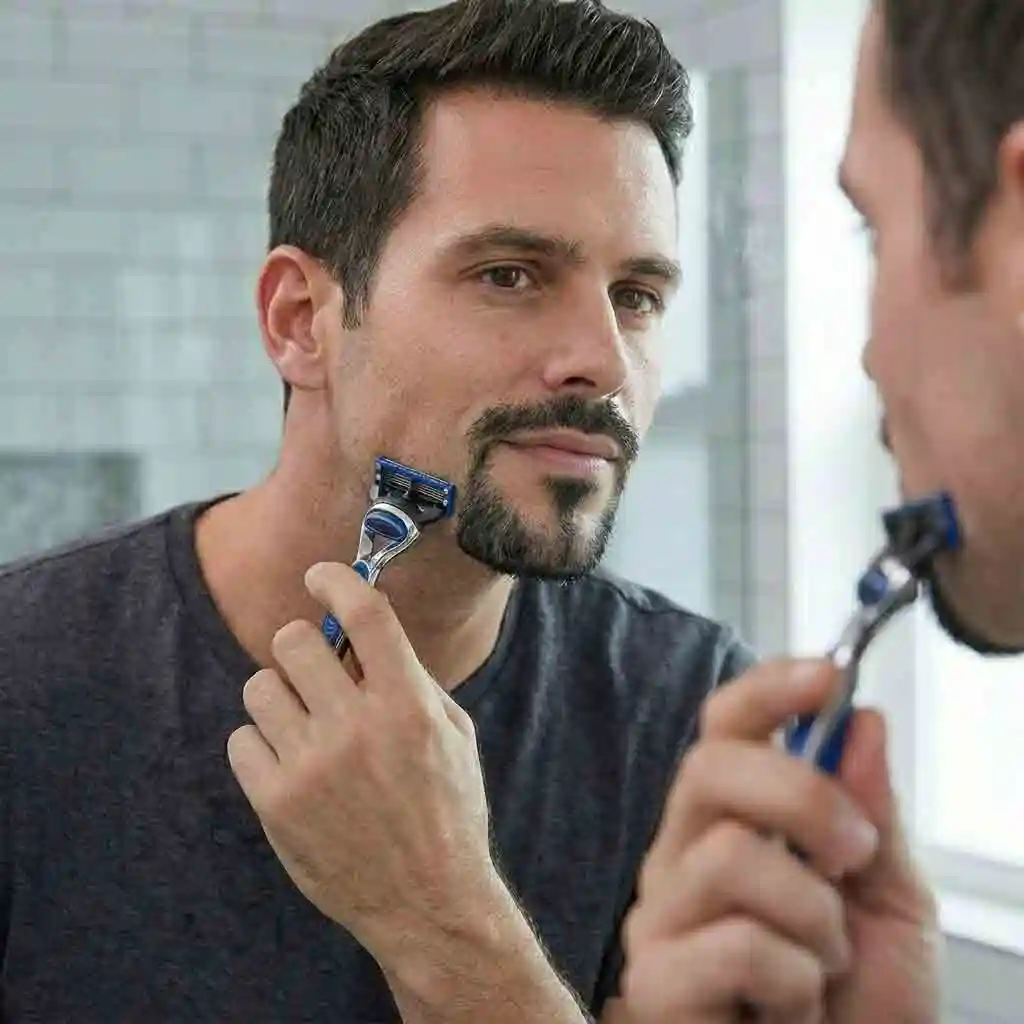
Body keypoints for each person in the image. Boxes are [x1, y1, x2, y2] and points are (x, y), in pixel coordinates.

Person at [0, 2, 950, 1024]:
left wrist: (442, 921)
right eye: (509, 275)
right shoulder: (25, 677)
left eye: (635, 294)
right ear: (299, 321)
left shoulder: (694, 715)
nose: (602, 359)